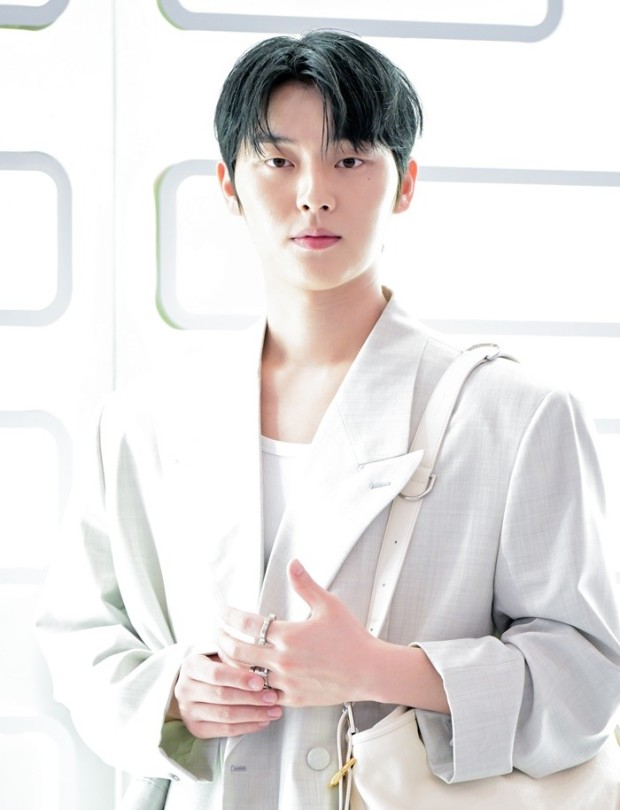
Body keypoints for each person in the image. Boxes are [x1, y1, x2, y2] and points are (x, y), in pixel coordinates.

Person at [36, 30, 620, 809]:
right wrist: (174, 691)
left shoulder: (517, 416)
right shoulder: (141, 422)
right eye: (278, 162)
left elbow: (586, 683)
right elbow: (79, 636)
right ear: (228, 185)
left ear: (405, 183)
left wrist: (379, 669)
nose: (314, 193)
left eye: (349, 159)